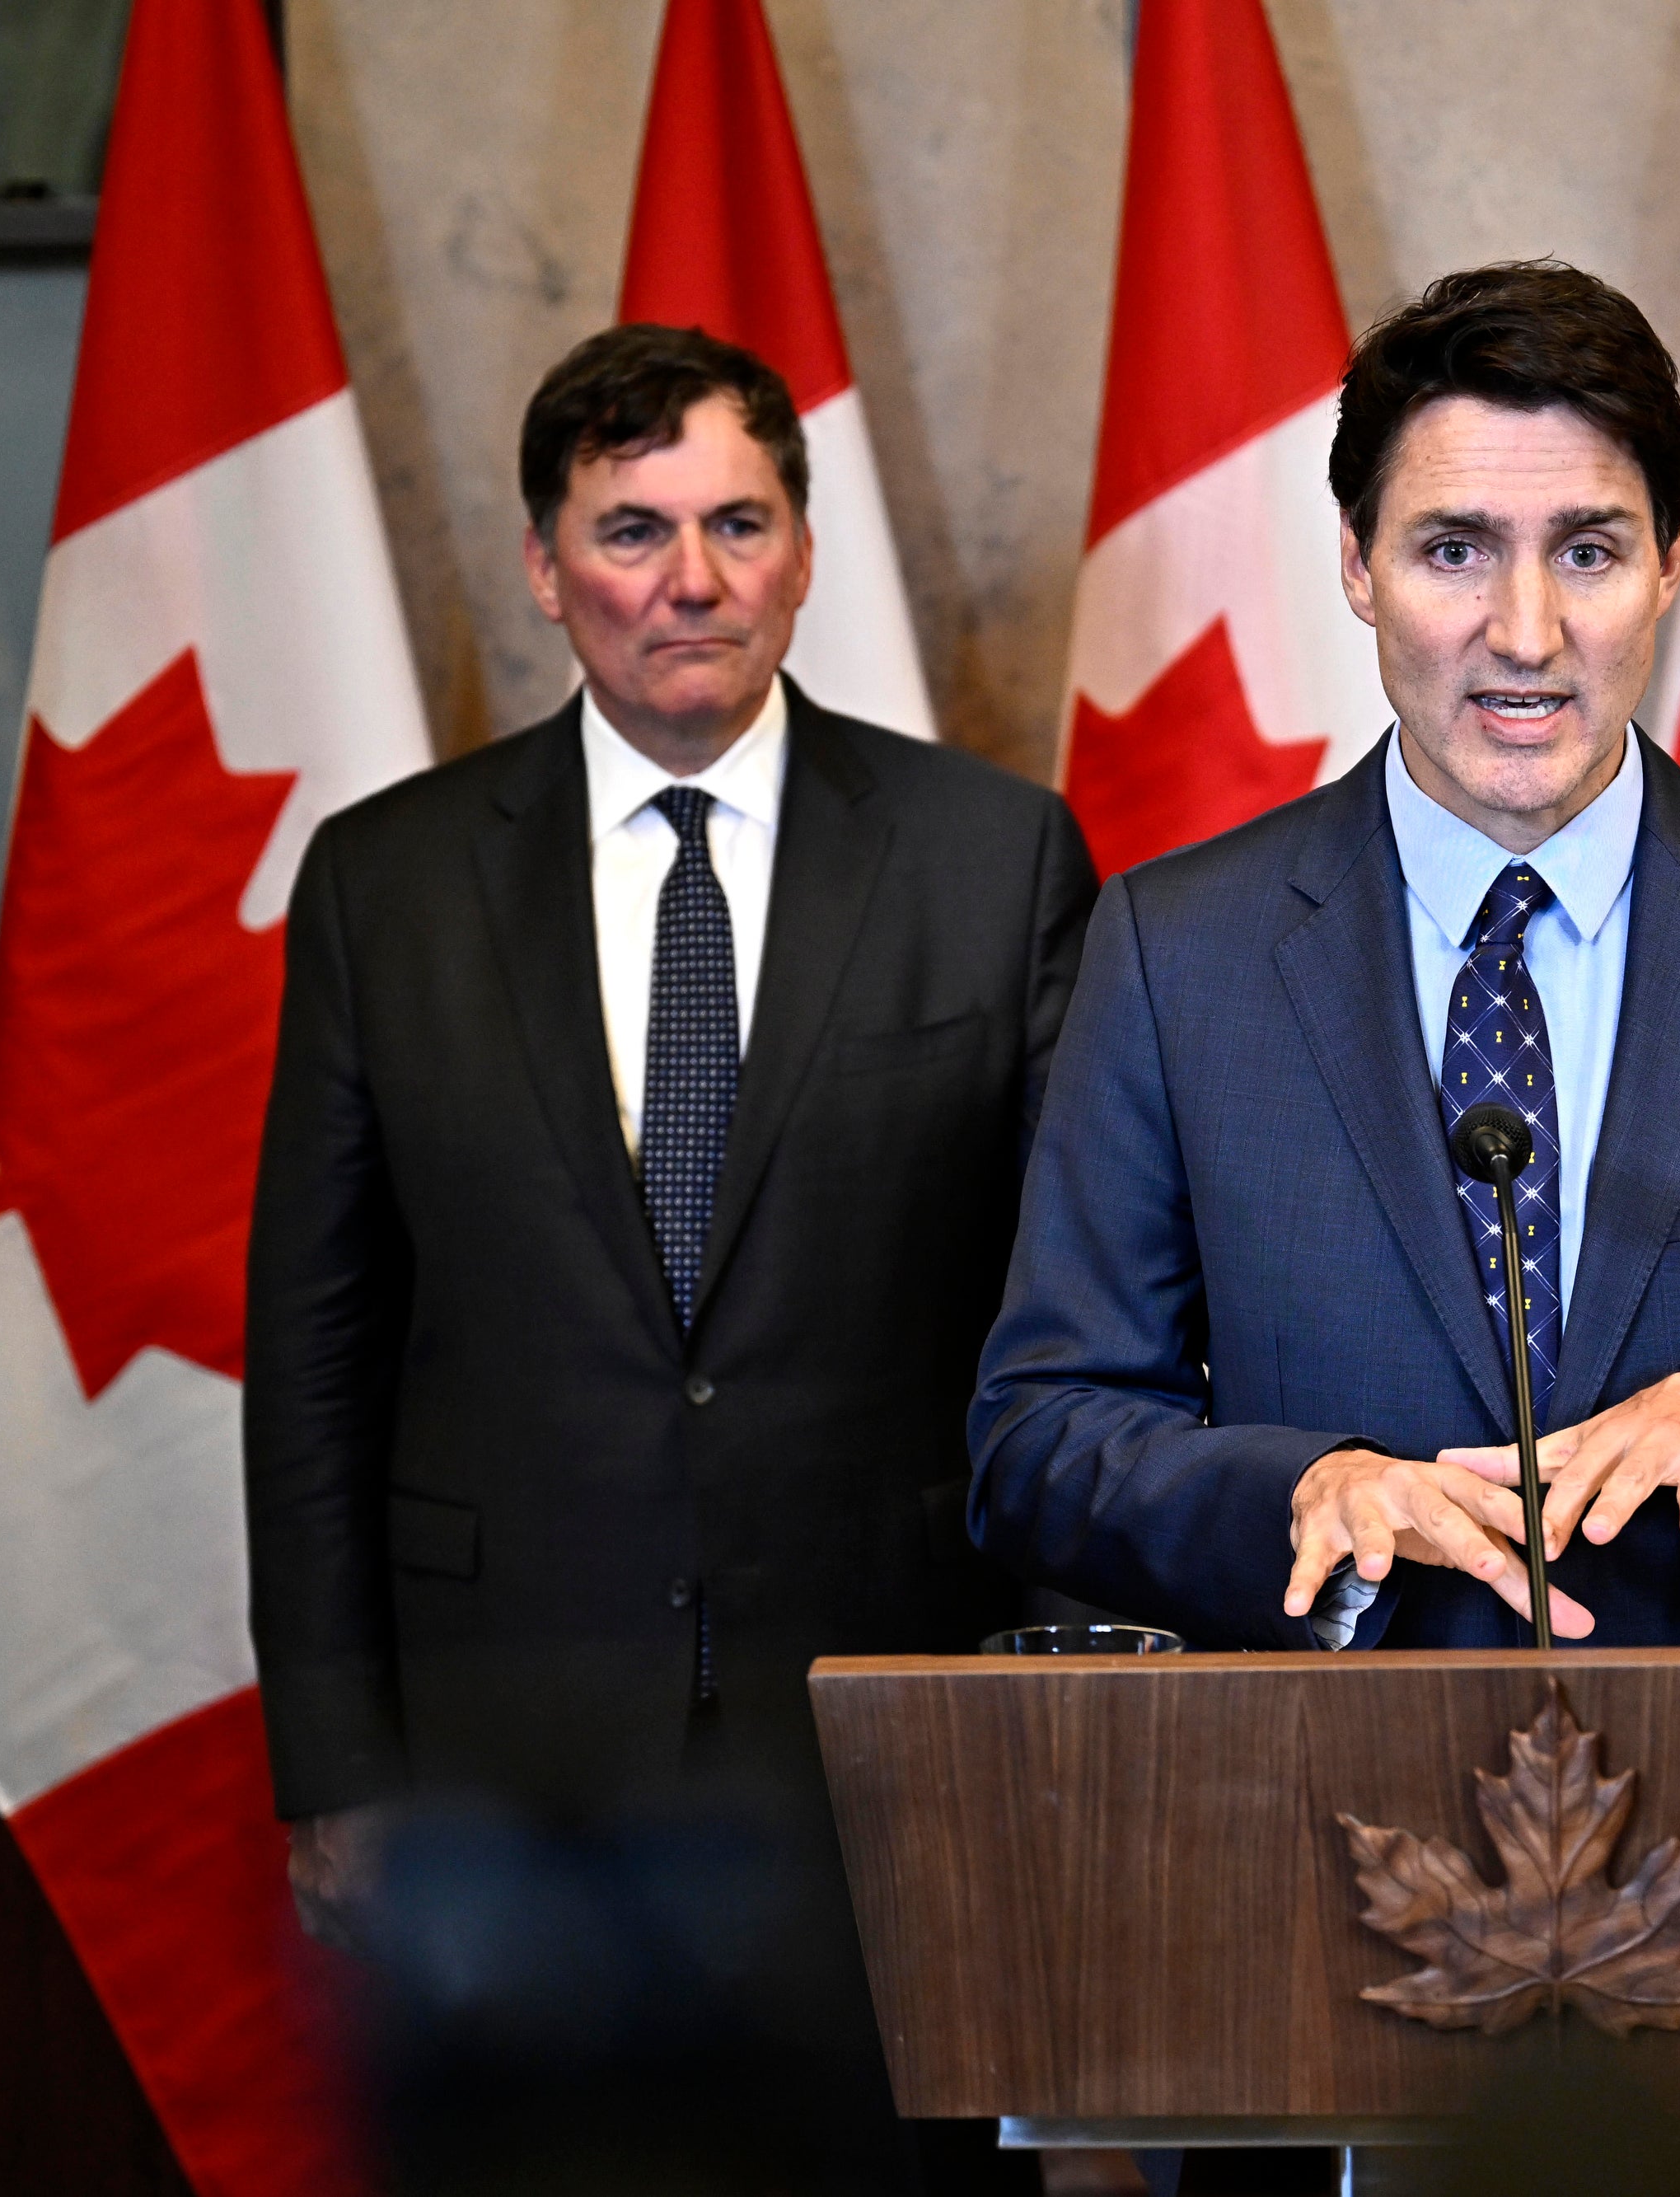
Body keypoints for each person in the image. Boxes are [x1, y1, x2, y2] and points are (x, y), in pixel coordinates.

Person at [244, 324, 1093, 2190]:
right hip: (502, 1749)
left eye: (737, 522)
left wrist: (1053, 1744)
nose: (689, 580)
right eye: (632, 530)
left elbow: (1074, 1328)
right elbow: (315, 1348)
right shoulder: (383, 884)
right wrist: (338, 1763)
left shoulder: (993, 860)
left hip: (890, 1744)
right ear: (544, 567)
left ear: (801, 550)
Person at [971, 261, 1680, 1650]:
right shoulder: (1179, 950)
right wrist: (1299, 1493)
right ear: (1358, 567)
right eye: (1454, 550)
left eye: (1590, 551)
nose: (1528, 633)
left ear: (1672, 561)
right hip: (1309, 1810)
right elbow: (1040, 1444)